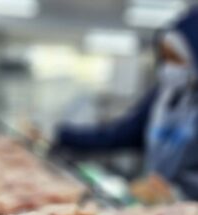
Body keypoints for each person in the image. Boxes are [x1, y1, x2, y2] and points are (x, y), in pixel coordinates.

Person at [50, 7, 198, 201]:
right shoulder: (165, 95)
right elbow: (123, 133)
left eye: (176, 59)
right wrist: (64, 135)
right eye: (165, 58)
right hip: (158, 205)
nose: (168, 67)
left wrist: (182, 194)